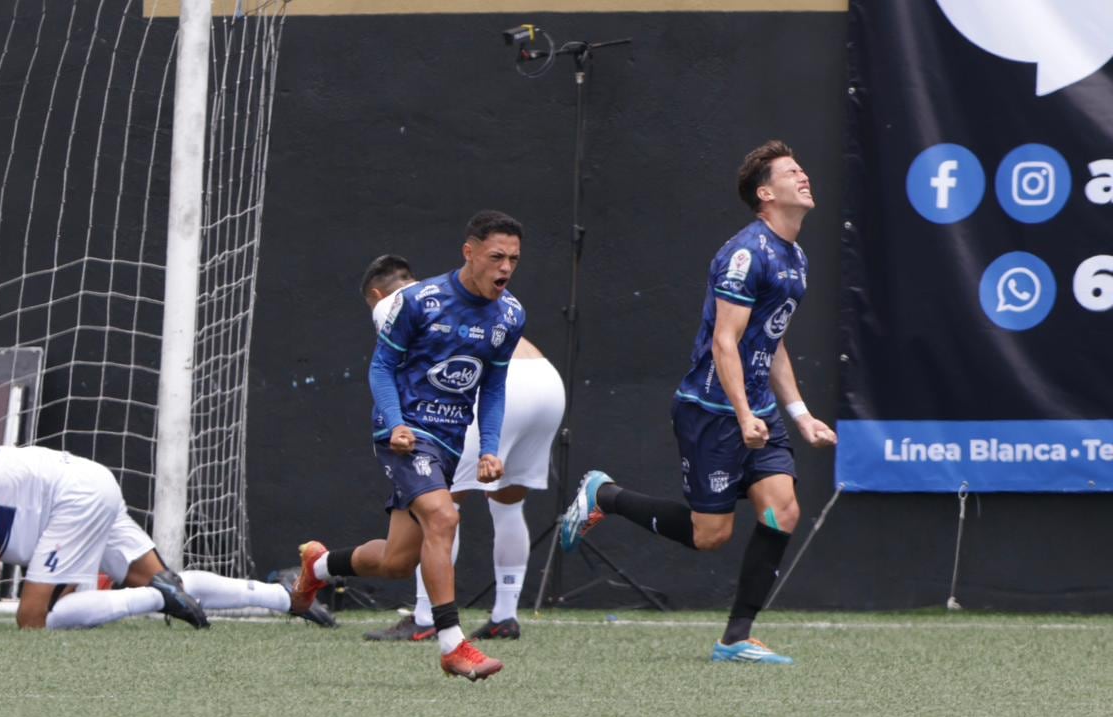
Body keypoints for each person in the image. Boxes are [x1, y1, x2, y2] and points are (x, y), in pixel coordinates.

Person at [560, 140, 836, 665]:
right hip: (712, 412)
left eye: (804, 169)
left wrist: (799, 415)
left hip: (758, 412)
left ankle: (735, 638)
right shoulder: (745, 254)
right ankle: (605, 494)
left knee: (782, 511)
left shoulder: (795, 258)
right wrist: (743, 413)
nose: (805, 177)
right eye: (792, 172)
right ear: (765, 193)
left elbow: (770, 341)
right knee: (710, 536)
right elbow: (724, 342)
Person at [288, 210, 527, 680]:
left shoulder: (511, 315)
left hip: (451, 440)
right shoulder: (420, 301)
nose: (505, 268)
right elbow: (381, 369)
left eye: (514, 259)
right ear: (470, 252)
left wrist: (490, 449)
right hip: (406, 435)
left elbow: (493, 387)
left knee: (399, 561)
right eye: (496, 256)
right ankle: (453, 645)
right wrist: (396, 424)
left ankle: (318, 567)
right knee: (444, 515)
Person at [0, 445, 329, 630]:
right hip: (87, 481)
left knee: (33, 623)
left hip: (73, 498)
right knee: (172, 581)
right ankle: (289, 596)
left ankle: (153, 600)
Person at [355, 254, 564, 642]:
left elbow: (390, 368)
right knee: (508, 502)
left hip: (495, 388)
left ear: (376, 293)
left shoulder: (396, 303)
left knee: (441, 504)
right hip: (546, 381)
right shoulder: (451, 293)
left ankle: (424, 617)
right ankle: (505, 614)